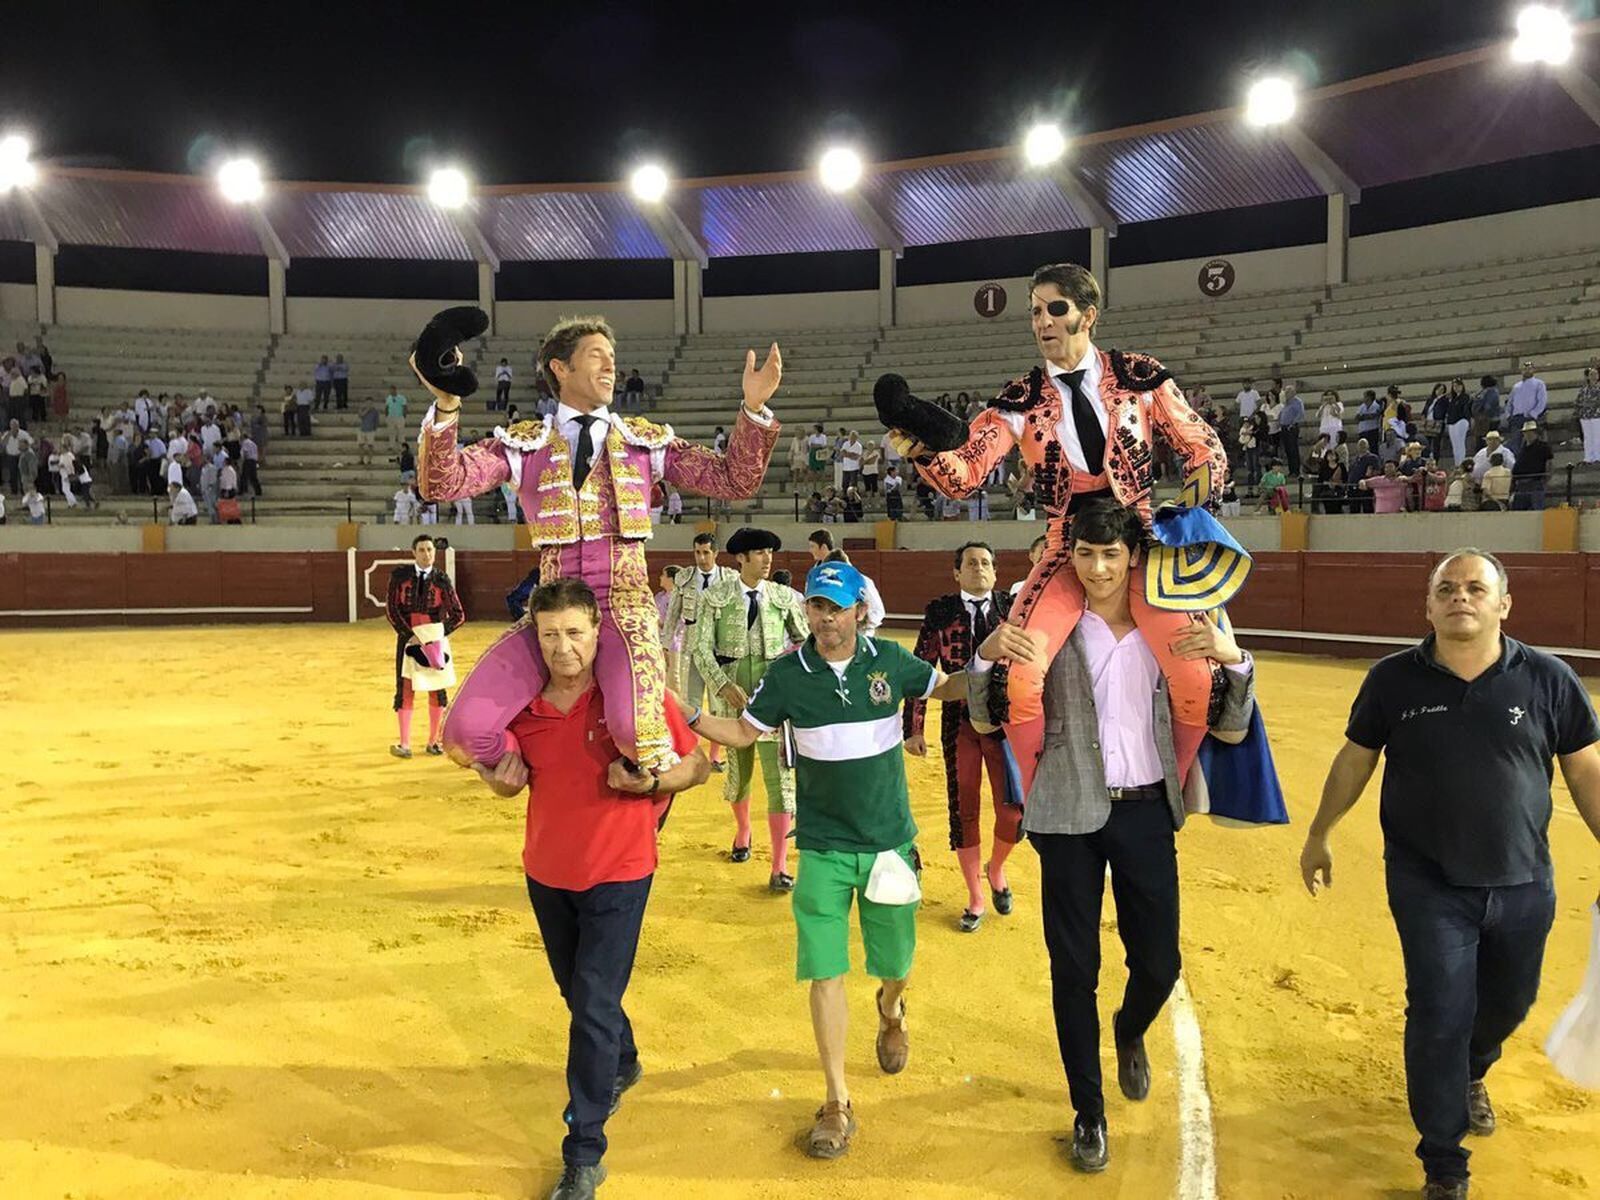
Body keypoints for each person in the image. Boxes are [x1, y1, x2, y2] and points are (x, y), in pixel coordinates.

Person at [1299, 549, 1600, 1200]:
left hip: (1524, 878)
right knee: (1439, 1010)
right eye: (1447, 589)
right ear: (1429, 606)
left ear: (1503, 604)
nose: (1460, 597)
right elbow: (1356, 759)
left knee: (1508, 1003)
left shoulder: (1549, 679)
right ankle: (1443, 1162)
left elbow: (1585, 771)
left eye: (1475, 588)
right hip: (1426, 878)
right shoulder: (1392, 680)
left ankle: (1471, 1069)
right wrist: (1320, 832)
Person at [968, 500, 1256, 1173]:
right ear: (1070, 556)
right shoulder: (1042, 620)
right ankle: (1088, 1113)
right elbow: (986, 721)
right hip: (1066, 813)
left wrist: (1234, 659)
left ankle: (1129, 1031)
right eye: (1086, 556)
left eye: (1111, 555)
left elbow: (1231, 726)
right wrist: (984, 659)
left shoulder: (1179, 619)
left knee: (1159, 963)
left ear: (1133, 555)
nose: (1097, 570)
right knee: (1074, 971)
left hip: (1148, 809)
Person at [891, 262, 1228, 799]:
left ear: (1087, 315)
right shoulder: (1020, 399)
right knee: (1017, 681)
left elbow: (1203, 448)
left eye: (1054, 309)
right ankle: (1045, 791)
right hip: (1064, 547)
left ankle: (1175, 779)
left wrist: (1183, 518)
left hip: (1140, 542)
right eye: (1033, 312)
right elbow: (969, 473)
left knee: (1198, 679)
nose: (1041, 321)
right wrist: (928, 452)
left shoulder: (1139, 375)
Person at [688, 559, 976, 1160]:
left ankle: (892, 1009)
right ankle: (836, 1101)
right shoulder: (787, 674)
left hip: (888, 844)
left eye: (834, 608)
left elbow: (945, 686)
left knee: (895, 961)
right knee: (825, 971)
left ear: (858, 612)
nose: (823, 618)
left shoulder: (890, 661)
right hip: (819, 844)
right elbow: (743, 733)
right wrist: (682, 714)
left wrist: (991, 660)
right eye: (816, 606)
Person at [416, 315, 781, 774]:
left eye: (613, 358)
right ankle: (551, 766)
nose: (611, 367)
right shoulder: (521, 444)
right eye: (597, 357)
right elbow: (440, 482)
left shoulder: (646, 443)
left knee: (637, 737)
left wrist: (753, 409)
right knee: (465, 734)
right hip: (550, 612)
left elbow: (734, 479)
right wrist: (447, 405)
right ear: (560, 369)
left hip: (623, 608)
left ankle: (651, 720)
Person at [473, 578, 709, 1200]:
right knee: (577, 992)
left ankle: (584, 1153)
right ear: (536, 638)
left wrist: (648, 787)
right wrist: (498, 784)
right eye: (550, 635)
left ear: (597, 633)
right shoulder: (522, 707)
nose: (563, 647)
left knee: (593, 1005)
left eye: (574, 632)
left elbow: (698, 766)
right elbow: (497, 771)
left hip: (621, 871)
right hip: (547, 871)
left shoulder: (631, 698)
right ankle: (624, 1059)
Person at [905, 542, 1020, 931]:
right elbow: (921, 671)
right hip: (959, 724)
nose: (979, 568)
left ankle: (997, 869)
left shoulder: (1013, 609)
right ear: (957, 573)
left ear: (996, 571)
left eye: (986, 562)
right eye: (971, 563)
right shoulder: (940, 612)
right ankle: (974, 896)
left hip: (1006, 725)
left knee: (1013, 810)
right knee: (964, 810)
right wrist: (913, 727)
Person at [688, 527, 808, 883]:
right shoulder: (716, 597)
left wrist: (789, 683)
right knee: (739, 773)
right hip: (732, 695)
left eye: (769, 552)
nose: (767, 558)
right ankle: (743, 831)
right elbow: (700, 647)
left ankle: (779, 865)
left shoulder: (785, 597)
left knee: (780, 777)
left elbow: (805, 643)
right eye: (758, 552)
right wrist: (723, 684)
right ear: (740, 558)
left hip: (773, 697)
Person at [664, 533, 740, 770]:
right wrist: (666, 645)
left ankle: (715, 756)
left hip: (720, 648)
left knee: (719, 704)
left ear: (715, 553)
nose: (701, 557)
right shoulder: (684, 578)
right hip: (693, 646)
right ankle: (694, 754)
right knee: (692, 701)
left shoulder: (730, 577)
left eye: (706, 552)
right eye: (697, 552)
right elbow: (673, 614)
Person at [386, 534, 465, 759]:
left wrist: (435, 634)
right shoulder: (400, 576)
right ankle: (405, 744)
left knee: (437, 689)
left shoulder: (441, 579)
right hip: (407, 639)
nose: (427, 554)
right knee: (405, 688)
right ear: (414, 552)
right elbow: (392, 610)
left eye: (430, 550)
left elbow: (458, 615)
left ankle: (434, 741)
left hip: (434, 641)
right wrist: (409, 635)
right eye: (422, 550)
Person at [808, 529, 886, 636]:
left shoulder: (863, 581)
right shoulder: (820, 579)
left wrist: (860, 625)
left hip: (860, 635)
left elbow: (877, 611)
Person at [1504, 361, 1547, 454]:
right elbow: (1510, 402)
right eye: (1525, 369)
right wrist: (1508, 415)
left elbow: (1542, 401)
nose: (1527, 370)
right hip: (1516, 418)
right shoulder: (1516, 386)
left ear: (1533, 370)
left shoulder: (1539, 384)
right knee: (1515, 443)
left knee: (1531, 443)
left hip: (1530, 418)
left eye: (1529, 368)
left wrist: (1533, 413)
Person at [1510, 422, 1552, 511]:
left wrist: (1546, 477)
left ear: (1535, 433)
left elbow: (1549, 463)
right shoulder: (1522, 448)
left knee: (1537, 509)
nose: (1527, 435)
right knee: (1518, 510)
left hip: (1535, 482)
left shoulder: (1543, 447)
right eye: (1526, 433)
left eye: (1530, 432)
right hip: (1521, 483)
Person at [1576, 366, 1600, 464]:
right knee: (1587, 437)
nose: (1593, 377)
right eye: (1591, 375)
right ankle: (1588, 457)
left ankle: (1597, 456)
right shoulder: (1583, 390)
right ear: (1588, 377)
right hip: (1585, 416)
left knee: (1597, 436)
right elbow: (1578, 402)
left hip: (1597, 415)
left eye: (1595, 374)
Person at [357, 401, 381, 466]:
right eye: (367, 403)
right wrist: (367, 410)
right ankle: (361, 460)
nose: (369, 404)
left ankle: (369, 461)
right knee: (361, 446)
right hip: (362, 430)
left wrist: (374, 429)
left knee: (370, 446)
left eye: (370, 403)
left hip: (371, 431)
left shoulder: (375, 411)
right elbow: (360, 416)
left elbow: (377, 421)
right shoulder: (362, 409)